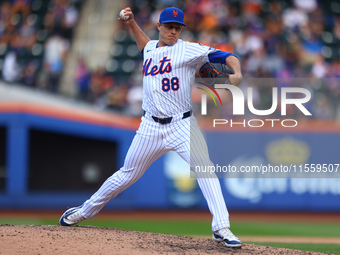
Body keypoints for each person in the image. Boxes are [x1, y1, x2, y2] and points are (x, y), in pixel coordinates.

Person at [59, 6, 243, 248]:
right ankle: (84, 211)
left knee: (205, 168)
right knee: (126, 174)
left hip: (182, 125)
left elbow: (226, 57)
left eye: (178, 28)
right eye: (169, 27)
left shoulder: (189, 50)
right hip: (150, 127)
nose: (173, 31)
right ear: (159, 27)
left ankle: (222, 228)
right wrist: (132, 23)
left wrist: (236, 71)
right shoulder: (149, 49)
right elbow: (145, 46)